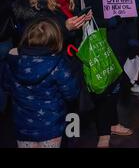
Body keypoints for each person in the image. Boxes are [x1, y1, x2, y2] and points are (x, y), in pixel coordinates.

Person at [84, 0, 137, 147]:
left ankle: (113, 123)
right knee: (103, 90)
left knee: (114, 87)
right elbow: (87, 19)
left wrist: (133, 39)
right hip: (102, 44)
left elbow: (132, 17)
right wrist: (106, 21)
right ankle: (103, 133)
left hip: (121, 44)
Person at [1, 18, 80, 148]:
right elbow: (72, 93)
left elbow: (6, 86)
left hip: (23, 128)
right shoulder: (58, 65)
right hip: (51, 128)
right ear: (56, 40)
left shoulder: (13, 62)